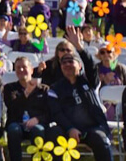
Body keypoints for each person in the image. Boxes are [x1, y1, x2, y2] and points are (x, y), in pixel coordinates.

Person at [48, 27, 113, 160]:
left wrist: (79, 47)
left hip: (93, 128)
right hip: (68, 129)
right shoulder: (55, 89)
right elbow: (57, 114)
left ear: (80, 66)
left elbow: (91, 66)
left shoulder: (89, 81)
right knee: (54, 133)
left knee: (101, 140)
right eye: (63, 62)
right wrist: (70, 128)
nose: (67, 64)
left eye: (71, 61)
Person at [3, 57, 51, 161]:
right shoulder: (9, 88)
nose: (21, 70)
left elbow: (50, 111)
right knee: (13, 130)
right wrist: (26, 93)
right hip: (17, 122)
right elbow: (12, 107)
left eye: (24, 67)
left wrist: (38, 119)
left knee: (38, 130)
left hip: (37, 123)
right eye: (18, 67)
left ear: (31, 70)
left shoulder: (44, 89)